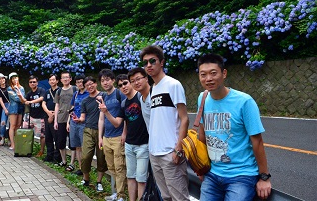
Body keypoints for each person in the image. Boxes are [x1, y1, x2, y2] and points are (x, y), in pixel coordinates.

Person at [197, 54, 272, 200]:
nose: (208, 79)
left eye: (213, 73)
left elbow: (257, 141)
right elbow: (202, 133)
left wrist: (264, 177)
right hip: (212, 173)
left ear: (224, 73)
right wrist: (201, 167)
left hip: (242, 175)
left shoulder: (244, 102)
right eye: (203, 74)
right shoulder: (202, 98)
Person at [140, 45, 190, 201]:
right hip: (154, 152)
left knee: (179, 197)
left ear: (161, 62)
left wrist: (178, 148)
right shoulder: (154, 88)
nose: (149, 65)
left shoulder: (173, 84)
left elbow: (184, 118)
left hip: (170, 152)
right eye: (145, 62)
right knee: (166, 197)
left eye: (152, 61)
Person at [102, 73, 149, 201]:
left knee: (141, 179)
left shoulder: (141, 97)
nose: (123, 86)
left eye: (125, 83)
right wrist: (106, 112)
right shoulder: (124, 103)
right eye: (120, 85)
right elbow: (119, 122)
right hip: (129, 144)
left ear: (131, 83)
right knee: (130, 176)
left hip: (144, 144)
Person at [72, 76, 107, 192]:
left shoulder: (103, 96)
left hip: (102, 131)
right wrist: (78, 120)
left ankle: (99, 182)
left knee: (101, 157)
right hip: (88, 130)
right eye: (87, 85)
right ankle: (86, 179)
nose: (90, 86)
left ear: (96, 84)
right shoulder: (85, 101)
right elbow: (83, 117)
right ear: (85, 87)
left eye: (91, 84)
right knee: (86, 156)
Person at [97, 69, 127, 201]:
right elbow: (101, 119)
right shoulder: (103, 96)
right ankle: (116, 192)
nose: (105, 82)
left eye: (107, 79)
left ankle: (121, 195)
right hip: (106, 137)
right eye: (102, 80)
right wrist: (100, 137)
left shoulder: (120, 94)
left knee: (120, 167)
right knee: (111, 167)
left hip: (118, 136)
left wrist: (124, 133)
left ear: (113, 80)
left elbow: (125, 116)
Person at [17, 75, 46, 155]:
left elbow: (41, 98)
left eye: (34, 82)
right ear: (29, 83)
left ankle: (42, 151)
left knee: (42, 135)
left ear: (37, 83)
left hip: (40, 117)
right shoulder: (29, 93)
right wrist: (20, 96)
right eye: (31, 82)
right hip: (31, 117)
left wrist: (31, 102)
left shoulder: (41, 90)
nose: (32, 83)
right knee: (25, 132)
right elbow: (24, 101)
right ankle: (25, 149)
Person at [67, 74, 89, 175]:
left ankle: (85, 169)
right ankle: (80, 168)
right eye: (78, 82)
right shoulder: (75, 94)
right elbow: (71, 109)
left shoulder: (89, 94)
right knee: (77, 146)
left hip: (84, 123)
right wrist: (68, 122)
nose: (80, 84)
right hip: (74, 122)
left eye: (81, 81)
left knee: (84, 146)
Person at [53, 72, 77, 166]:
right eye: (63, 77)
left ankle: (72, 163)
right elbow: (57, 105)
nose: (65, 79)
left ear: (70, 79)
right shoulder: (58, 91)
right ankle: (63, 161)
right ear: (61, 80)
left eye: (67, 77)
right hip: (61, 118)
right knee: (60, 141)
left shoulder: (75, 89)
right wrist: (55, 120)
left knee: (72, 142)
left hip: (72, 119)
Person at [42, 74, 62, 163]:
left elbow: (61, 104)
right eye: (50, 80)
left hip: (57, 117)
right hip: (47, 116)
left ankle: (57, 157)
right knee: (48, 138)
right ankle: (49, 155)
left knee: (57, 138)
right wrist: (49, 113)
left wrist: (53, 115)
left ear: (57, 81)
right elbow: (43, 103)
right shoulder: (47, 92)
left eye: (53, 80)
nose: (52, 81)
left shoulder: (61, 91)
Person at [7, 72, 25, 150]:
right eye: (13, 78)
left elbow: (23, 99)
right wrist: (21, 97)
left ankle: (17, 142)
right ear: (11, 80)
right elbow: (17, 99)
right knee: (12, 126)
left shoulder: (22, 88)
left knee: (18, 126)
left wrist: (21, 97)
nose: (15, 79)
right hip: (13, 109)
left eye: (16, 78)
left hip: (21, 108)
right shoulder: (10, 88)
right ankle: (12, 143)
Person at [0, 73, 10, 145]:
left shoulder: (10, 87)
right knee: (3, 122)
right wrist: (5, 109)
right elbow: (1, 101)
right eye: (0, 79)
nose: (2, 80)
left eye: (3, 78)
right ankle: (2, 138)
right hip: (4, 105)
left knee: (11, 124)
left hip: (12, 105)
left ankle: (9, 138)